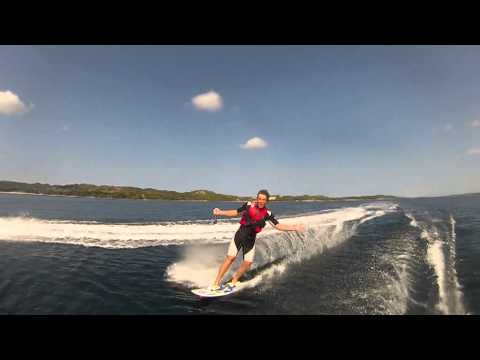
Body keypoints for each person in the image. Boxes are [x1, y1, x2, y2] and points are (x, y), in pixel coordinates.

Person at [209, 189, 305, 292]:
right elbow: (235, 212)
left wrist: (294, 227)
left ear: (267, 201)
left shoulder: (267, 214)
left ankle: (234, 280)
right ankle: (216, 283)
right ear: (257, 198)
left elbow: (278, 226)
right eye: (259, 198)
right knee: (231, 258)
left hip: (251, 239)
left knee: (248, 263)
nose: (261, 201)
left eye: (263, 199)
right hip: (240, 235)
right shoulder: (249, 205)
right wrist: (220, 212)